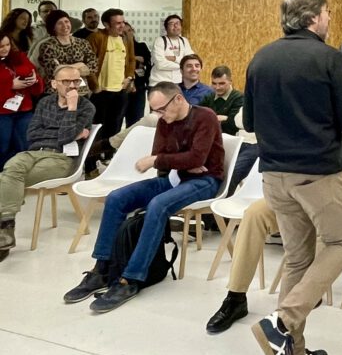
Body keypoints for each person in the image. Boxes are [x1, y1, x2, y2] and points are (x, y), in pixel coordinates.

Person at [243, 0, 342, 355]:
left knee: (297, 259)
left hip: (274, 175)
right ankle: (283, 321)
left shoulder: (261, 57)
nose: (329, 19)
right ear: (313, 17)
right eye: (327, 12)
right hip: (318, 174)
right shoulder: (329, 58)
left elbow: (248, 122)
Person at [62, 80, 224, 311]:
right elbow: (164, 155)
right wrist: (181, 160)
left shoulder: (205, 117)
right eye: (155, 110)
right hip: (174, 177)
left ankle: (131, 278)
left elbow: (187, 159)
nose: (159, 115)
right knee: (117, 198)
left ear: (178, 99)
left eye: (162, 109)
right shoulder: (165, 121)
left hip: (205, 180)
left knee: (158, 205)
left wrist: (170, 160)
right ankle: (103, 268)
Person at [205, 125, 342, 334]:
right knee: (254, 214)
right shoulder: (304, 122)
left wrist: (328, 190)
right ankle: (235, 296)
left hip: (338, 196)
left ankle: (307, 294)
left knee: (327, 232)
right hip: (296, 192)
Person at [0, 65, 94, 261]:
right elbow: (31, 134)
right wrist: (69, 133)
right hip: (34, 152)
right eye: (66, 81)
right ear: (54, 84)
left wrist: (72, 108)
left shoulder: (86, 107)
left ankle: (5, 231)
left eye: (76, 81)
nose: (72, 86)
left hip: (62, 158)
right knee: (11, 167)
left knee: (7, 178)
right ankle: (6, 226)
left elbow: (64, 138)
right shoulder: (45, 103)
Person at [87, 8, 136, 147]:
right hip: (101, 90)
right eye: (118, 23)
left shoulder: (126, 37)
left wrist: (129, 77)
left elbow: (131, 59)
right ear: (106, 24)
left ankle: (109, 154)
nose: (122, 26)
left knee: (116, 124)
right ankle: (94, 155)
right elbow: (89, 63)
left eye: (123, 22)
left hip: (121, 89)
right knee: (98, 126)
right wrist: (94, 86)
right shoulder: (96, 37)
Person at [0, 33, 43, 167]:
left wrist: (35, 80)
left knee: (25, 146)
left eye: (7, 45)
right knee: (3, 147)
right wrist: (10, 85)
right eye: (1, 46)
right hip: (2, 113)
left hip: (24, 110)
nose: (5, 49)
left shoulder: (20, 57)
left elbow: (35, 78)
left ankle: (21, 172)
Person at [37, 10, 97, 97]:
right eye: (59, 23)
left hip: (80, 91)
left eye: (66, 21)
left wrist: (62, 66)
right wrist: (80, 65)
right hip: (57, 93)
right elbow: (54, 71)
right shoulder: (47, 45)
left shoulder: (83, 43)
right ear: (53, 27)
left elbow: (93, 66)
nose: (65, 25)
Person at [150, 15, 194, 86]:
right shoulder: (160, 41)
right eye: (171, 24)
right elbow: (160, 64)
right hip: (160, 82)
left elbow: (191, 60)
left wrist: (174, 58)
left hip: (179, 81)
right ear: (166, 28)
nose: (175, 26)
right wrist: (183, 65)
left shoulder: (184, 41)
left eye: (178, 23)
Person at [199, 66, 243, 135]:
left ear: (230, 81)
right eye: (214, 83)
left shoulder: (240, 98)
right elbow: (198, 119)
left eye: (221, 83)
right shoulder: (208, 98)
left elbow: (233, 125)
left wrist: (209, 119)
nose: (217, 87)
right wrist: (225, 118)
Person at [124, 22, 152, 127]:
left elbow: (148, 60)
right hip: (123, 85)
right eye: (124, 32)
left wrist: (135, 58)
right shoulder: (118, 47)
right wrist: (136, 58)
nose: (128, 34)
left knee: (136, 118)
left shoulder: (141, 46)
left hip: (139, 84)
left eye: (129, 31)